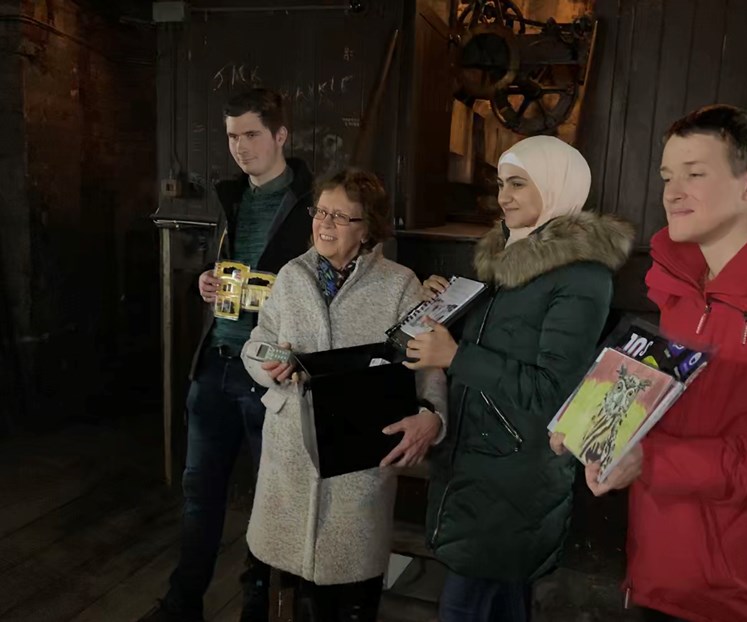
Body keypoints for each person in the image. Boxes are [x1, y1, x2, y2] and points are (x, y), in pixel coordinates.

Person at [555, 104, 747, 622]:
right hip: (657, 569)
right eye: (667, 176)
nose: (672, 192)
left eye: (695, 174)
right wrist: (588, 422)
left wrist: (650, 461)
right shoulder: (682, 284)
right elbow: (672, 398)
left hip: (730, 595)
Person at [409, 135, 635, 621]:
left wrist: (455, 355)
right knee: (503, 602)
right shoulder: (510, 257)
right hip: (480, 462)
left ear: (556, 188)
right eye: (500, 184)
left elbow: (554, 389)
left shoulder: (582, 276)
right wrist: (449, 304)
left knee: (466, 605)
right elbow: (498, 340)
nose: (503, 196)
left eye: (517, 184)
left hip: (517, 471)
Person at [241, 168, 447, 622]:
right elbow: (258, 341)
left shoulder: (399, 285)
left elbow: (426, 363)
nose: (324, 224)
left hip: (358, 459)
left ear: (368, 228)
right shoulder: (292, 274)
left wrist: (432, 413)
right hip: (289, 454)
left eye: (340, 216)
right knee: (276, 595)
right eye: (321, 212)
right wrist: (272, 361)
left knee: (348, 600)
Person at [148, 89, 314, 622]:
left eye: (251, 135)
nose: (240, 148)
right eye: (232, 137)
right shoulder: (231, 198)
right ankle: (182, 605)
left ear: (280, 135)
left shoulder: (313, 205)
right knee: (200, 495)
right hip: (215, 362)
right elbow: (232, 270)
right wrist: (206, 282)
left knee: (271, 504)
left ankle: (256, 608)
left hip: (269, 375)